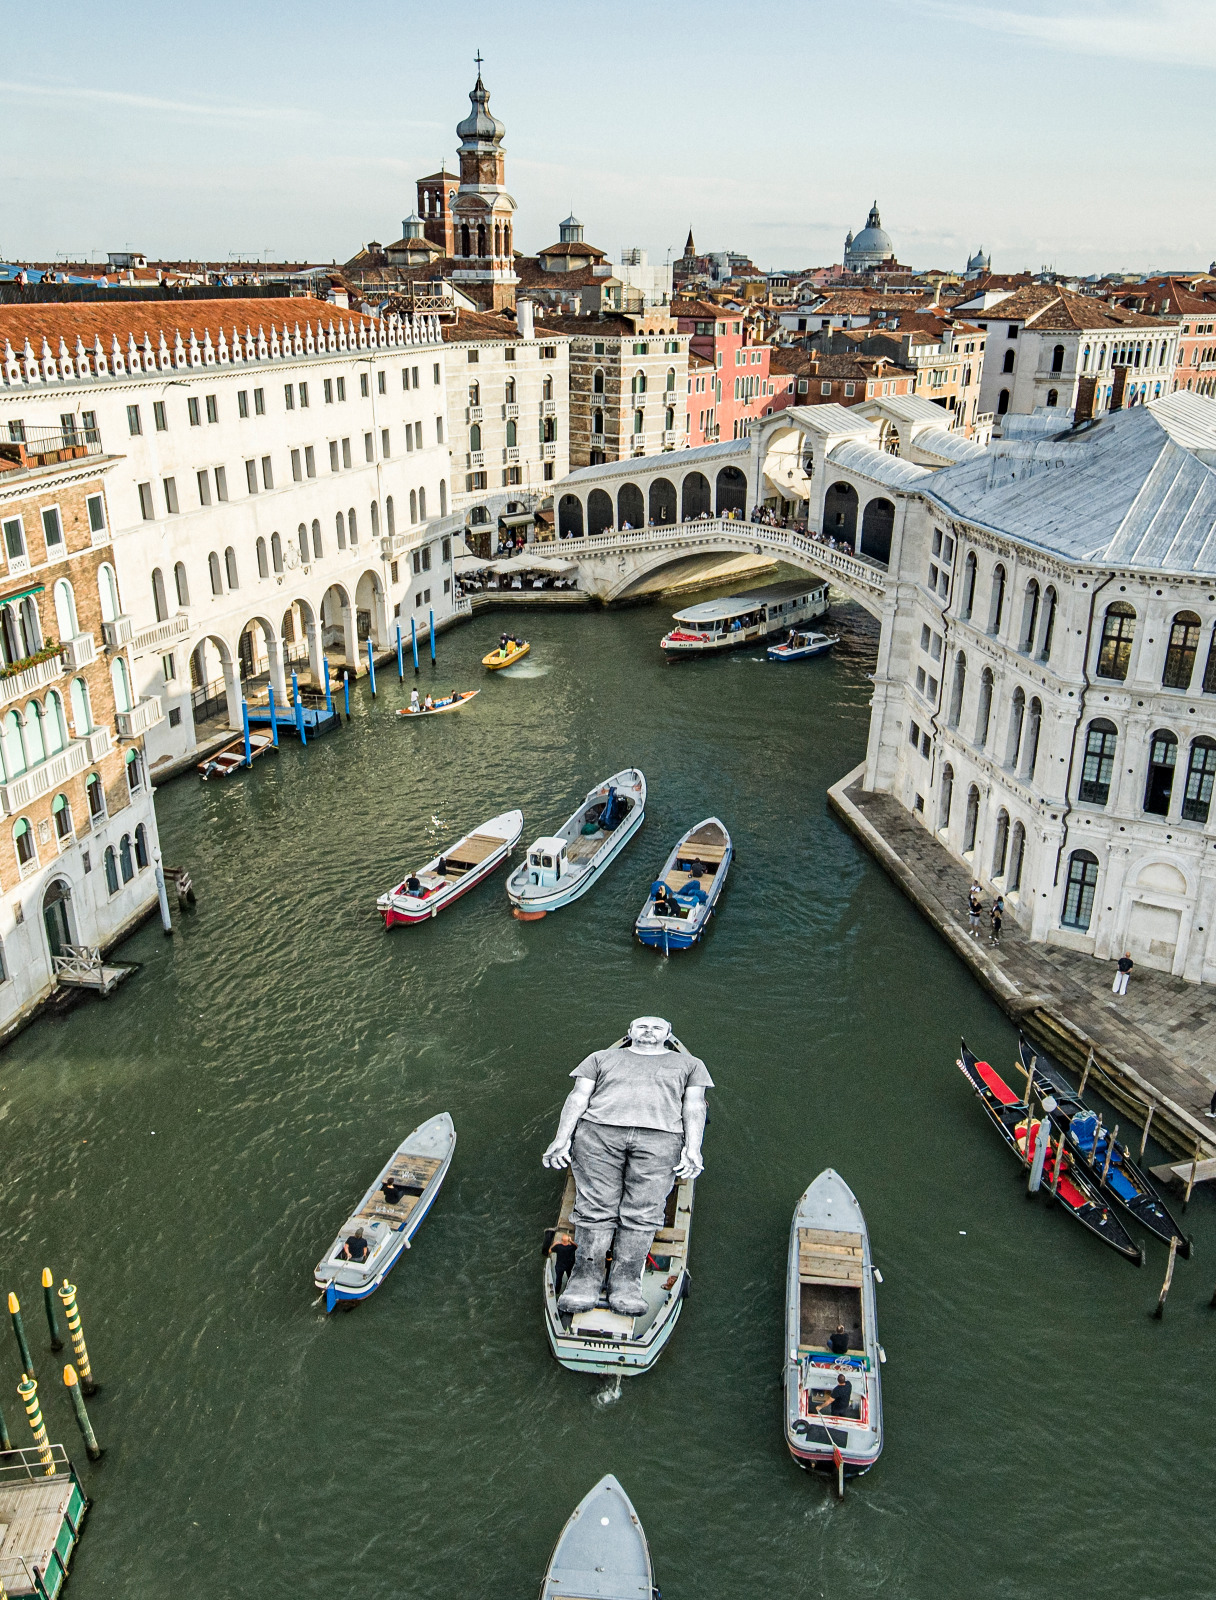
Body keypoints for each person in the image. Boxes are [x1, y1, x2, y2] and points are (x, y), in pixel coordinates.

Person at [543, 1017, 712, 1317]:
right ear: (629, 1032)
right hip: (599, 1133)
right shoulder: (600, 1058)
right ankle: (585, 1277)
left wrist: (693, 1149)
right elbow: (578, 1097)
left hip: (660, 1138)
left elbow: (694, 1106)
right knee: (595, 1206)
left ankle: (626, 1281)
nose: (649, 1031)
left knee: (644, 1210)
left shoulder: (690, 1064)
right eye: (642, 1026)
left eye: (657, 1027)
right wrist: (561, 1138)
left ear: (669, 1035)